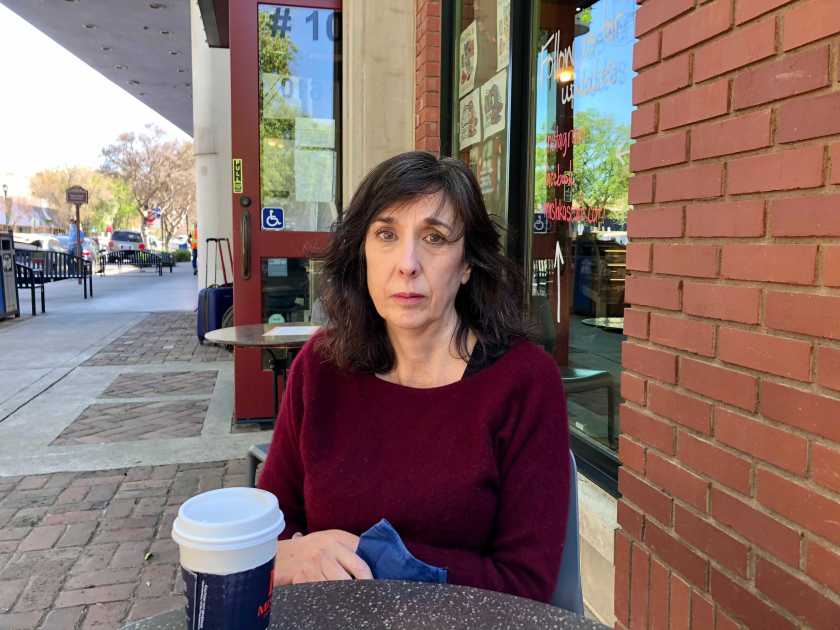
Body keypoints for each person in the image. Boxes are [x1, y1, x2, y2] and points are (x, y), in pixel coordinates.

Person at [257, 151, 571, 604]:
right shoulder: (319, 369)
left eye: (435, 238)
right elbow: (271, 527)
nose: (407, 262)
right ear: (362, 252)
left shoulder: (524, 383)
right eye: (386, 234)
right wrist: (287, 555)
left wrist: (368, 557)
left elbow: (524, 585)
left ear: (467, 265)